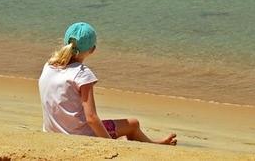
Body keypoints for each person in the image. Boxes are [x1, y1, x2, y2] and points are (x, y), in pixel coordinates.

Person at [38, 22, 177, 145]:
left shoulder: (49, 65)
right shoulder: (82, 74)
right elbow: (91, 118)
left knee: (117, 126)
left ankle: (142, 142)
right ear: (92, 49)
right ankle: (153, 145)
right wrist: (109, 144)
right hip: (79, 136)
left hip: (52, 132)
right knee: (133, 124)